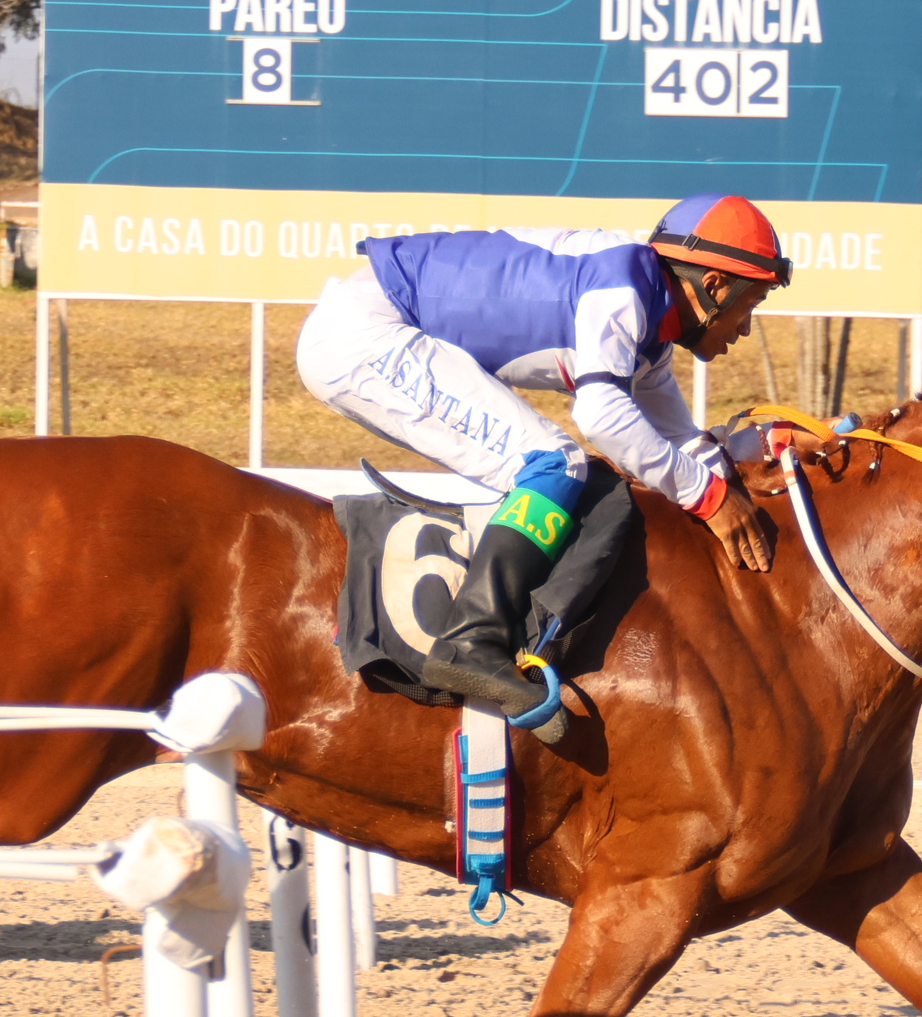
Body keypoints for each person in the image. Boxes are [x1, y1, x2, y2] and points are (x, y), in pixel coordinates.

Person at [295, 192, 791, 725]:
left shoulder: (649, 329)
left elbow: (683, 443)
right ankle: (470, 641)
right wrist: (710, 498)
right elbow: (602, 417)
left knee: (559, 464)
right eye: (752, 304)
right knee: (556, 463)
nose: (745, 326)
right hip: (365, 335)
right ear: (714, 285)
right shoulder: (624, 293)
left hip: (373, 325)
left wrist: (769, 452)